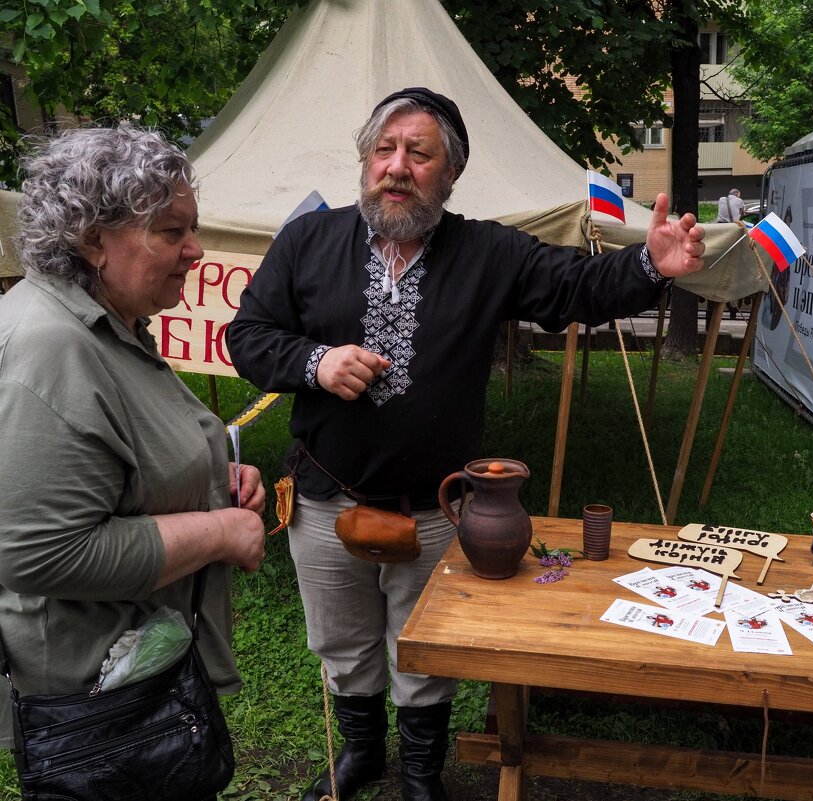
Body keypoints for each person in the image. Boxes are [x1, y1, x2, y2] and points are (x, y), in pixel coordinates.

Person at [225, 86, 705, 801]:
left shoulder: (487, 251)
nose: (396, 166)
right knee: (342, 645)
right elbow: (248, 336)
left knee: (426, 651)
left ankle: (422, 775)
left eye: (418, 153)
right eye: (383, 150)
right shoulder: (308, 241)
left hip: (436, 504)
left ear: (449, 175)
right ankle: (360, 755)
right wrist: (314, 362)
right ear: (364, 162)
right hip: (326, 500)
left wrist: (646, 268)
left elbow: (572, 286)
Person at [0, 127, 267, 771]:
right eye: (172, 232)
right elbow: (40, 553)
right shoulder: (50, 346)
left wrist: (213, 479)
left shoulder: (107, 325)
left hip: (132, 682)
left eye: (192, 229)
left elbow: (118, 461)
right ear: (93, 238)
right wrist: (220, 529)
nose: (196, 250)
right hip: (97, 710)